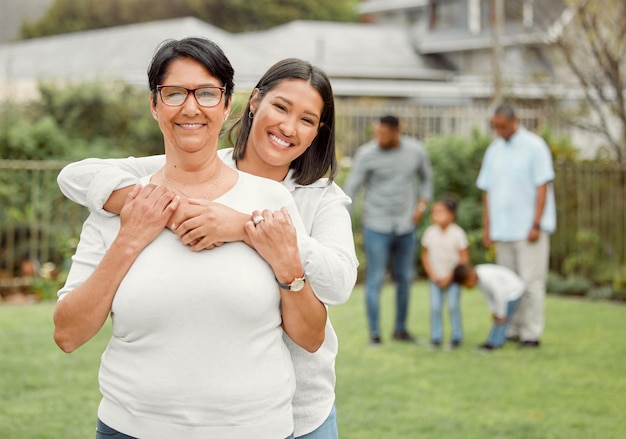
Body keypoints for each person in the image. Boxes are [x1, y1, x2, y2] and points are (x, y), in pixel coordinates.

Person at [56, 57, 359, 439]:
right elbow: (75, 176)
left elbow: (339, 283)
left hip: (297, 407)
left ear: (317, 132)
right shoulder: (198, 161)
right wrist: (172, 208)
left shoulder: (319, 198)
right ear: (253, 102)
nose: (287, 126)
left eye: (306, 119)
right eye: (280, 107)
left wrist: (247, 227)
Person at [343, 115, 433, 345]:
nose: (378, 137)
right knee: (375, 279)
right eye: (376, 132)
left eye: (383, 133)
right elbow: (351, 188)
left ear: (396, 132)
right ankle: (375, 334)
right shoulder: (366, 154)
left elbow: (426, 179)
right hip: (377, 225)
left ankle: (401, 330)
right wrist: (342, 221)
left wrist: (422, 206)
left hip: (406, 226)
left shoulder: (416, 151)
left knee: (404, 279)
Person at [477, 102, 556, 348]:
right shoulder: (494, 150)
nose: (499, 131)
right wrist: (488, 227)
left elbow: (542, 185)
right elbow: (487, 190)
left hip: (528, 230)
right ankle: (511, 329)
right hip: (503, 230)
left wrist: (537, 223)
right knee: (508, 284)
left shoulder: (535, 146)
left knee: (531, 283)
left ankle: (531, 333)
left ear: (514, 121)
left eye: (502, 126)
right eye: (495, 127)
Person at [420, 197, 469, 350]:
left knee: (453, 306)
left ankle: (456, 336)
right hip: (435, 278)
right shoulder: (430, 233)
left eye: (440, 212)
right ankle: (436, 337)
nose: (436, 215)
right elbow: (425, 255)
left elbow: (463, 257)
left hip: (453, 278)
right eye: (434, 212)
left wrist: (451, 276)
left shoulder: (458, 233)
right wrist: (432, 274)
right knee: (435, 307)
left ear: (452, 214)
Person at [452, 263, 525, 351]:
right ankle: (491, 342)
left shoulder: (486, 277)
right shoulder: (479, 278)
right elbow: (488, 296)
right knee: (498, 319)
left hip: (512, 291)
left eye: (466, 284)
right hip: (505, 293)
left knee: (503, 320)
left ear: (470, 277)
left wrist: (501, 313)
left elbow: (499, 294)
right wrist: (494, 311)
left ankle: (496, 343)